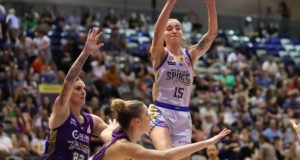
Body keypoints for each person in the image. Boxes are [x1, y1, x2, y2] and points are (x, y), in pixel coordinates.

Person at [148, 0, 218, 156]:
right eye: (169, 28)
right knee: (166, 155)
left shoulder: (191, 55)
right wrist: (171, 0)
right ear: (164, 33)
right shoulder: (160, 54)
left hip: (183, 116)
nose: (173, 30)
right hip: (161, 110)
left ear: (181, 32)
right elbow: (156, 32)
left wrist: (210, 3)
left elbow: (211, 35)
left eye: (177, 27)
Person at [41, 28, 114, 160]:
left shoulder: (91, 121)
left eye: (84, 89)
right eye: (78, 88)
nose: (83, 92)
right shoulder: (61, 111)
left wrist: (117, 133)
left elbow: (108, 134)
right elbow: (69, 81)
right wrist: (85, 52)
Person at [92, 99, 230, 160]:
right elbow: (167, 156)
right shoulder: (124, 146)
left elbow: (108, 132)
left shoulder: (117, 135)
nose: (151, 118)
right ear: (136, 122)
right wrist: (208, 142)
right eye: (147, 115)